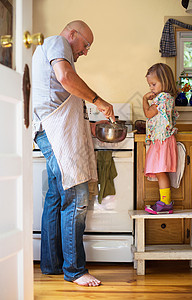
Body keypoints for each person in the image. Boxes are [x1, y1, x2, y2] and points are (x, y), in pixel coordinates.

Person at [32, 20, 115, 287]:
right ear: (72, 34)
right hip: (53, 131)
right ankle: (75, 270)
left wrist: (90, 126)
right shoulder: (57, 42)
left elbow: (58, 98)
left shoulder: (50, 51)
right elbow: (66, 78)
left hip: (49, 129)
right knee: (77, 193)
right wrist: (98, 100)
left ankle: (52, 264)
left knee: (56, 195)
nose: (86, 51)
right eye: (86, 44)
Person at [142, 63, 179, 215]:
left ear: (165, 82)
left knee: (160, 172)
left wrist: (144, 99)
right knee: (160, 172)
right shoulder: (168, 97)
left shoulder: (162, 97)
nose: (151, 88)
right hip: (163, 140)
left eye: (153, 84)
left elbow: (149, 114)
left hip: (162, 141)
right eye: (150, 85)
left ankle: (165, 204)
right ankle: (164, 202)